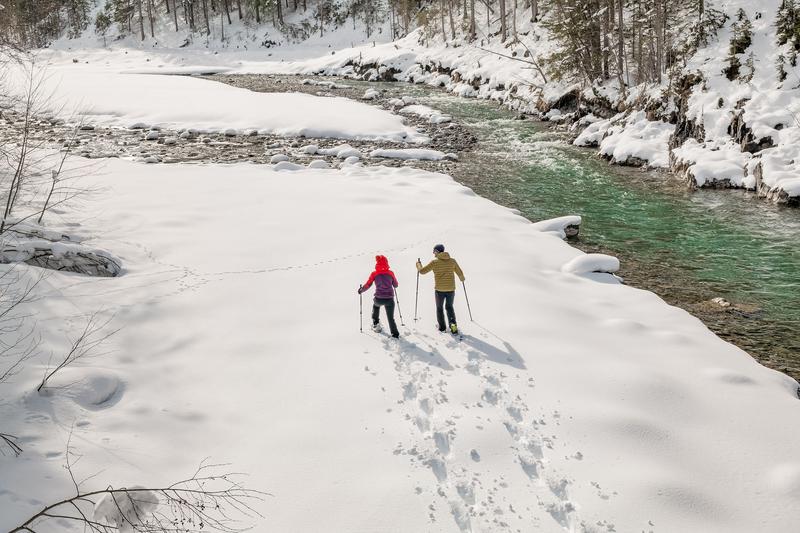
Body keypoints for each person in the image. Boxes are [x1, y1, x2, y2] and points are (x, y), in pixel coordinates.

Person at [417, 244, 465, 334]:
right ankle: (453, 326)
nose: (433, 253)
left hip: (439, 290)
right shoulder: (452, 261)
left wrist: (418, 264)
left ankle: (442, 327)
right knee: (449, 307)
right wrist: (462, 278)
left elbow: (422, 271)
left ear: (438, 251)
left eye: (434, 251)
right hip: (451, 289)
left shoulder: (434, 262)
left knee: (439, 308)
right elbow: (460, 272)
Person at [358, 255, 400, 338]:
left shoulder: (374, 274)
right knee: (391, 318)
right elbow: (396, 285)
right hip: (389, 299)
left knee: (376, 306)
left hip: (379, 299)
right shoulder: (390, 273)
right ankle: (395, 334)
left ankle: (376, 323)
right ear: (386, 262)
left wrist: (361, 290)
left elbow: (368, 284)